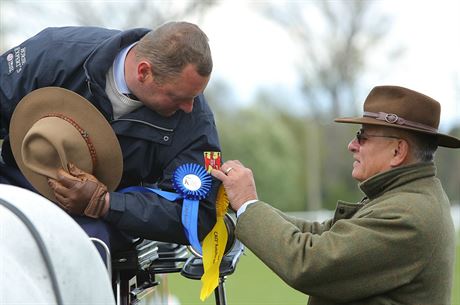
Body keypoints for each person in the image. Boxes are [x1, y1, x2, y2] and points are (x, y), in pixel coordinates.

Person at [211, 85, 460, 305]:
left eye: (362, 136)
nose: (352, 145)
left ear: (397, 151)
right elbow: (320, 233)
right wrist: (244, 206)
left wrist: (248, 205)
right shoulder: (407, 197)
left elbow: (309, 263)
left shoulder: (407, 214)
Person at [0, 22, 221, 251]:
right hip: (15, 181)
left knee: (84, 249)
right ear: (144, 72)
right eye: (177, 97)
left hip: (102, 218)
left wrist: (105, 203)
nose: (189, 107)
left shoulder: (196, 120)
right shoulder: (55, 52)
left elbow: (199, 215)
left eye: (196, 95)